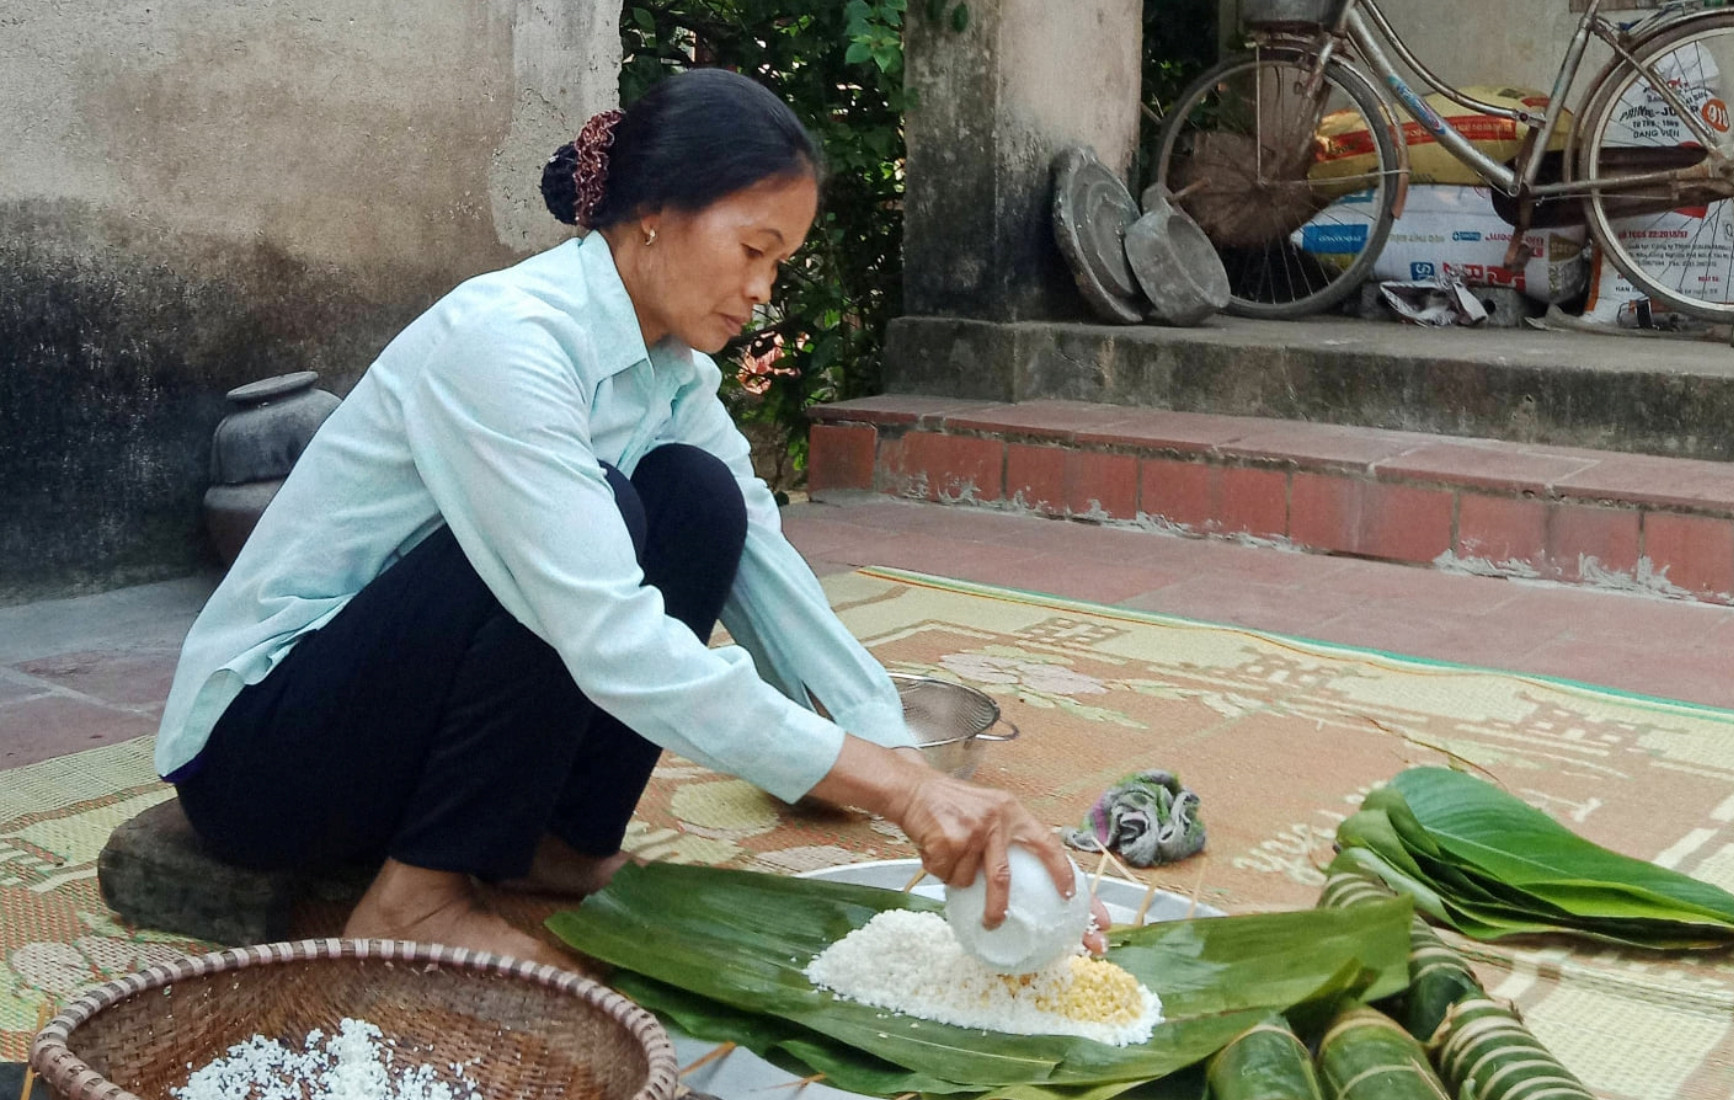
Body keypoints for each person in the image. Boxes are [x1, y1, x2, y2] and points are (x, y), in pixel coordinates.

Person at [155, 69, 1105, 968]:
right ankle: (413, 900)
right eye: (752, 251)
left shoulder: (672, 374)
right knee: (589, 527)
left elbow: (768, 576)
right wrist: (899, 792)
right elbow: (608, 637)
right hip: (265, 759)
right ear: (653, 214)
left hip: (385, 734)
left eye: (780, 263)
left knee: (699, 496)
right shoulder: (506, 344)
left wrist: (923, 777)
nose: (763, 291)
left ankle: (558, 842)